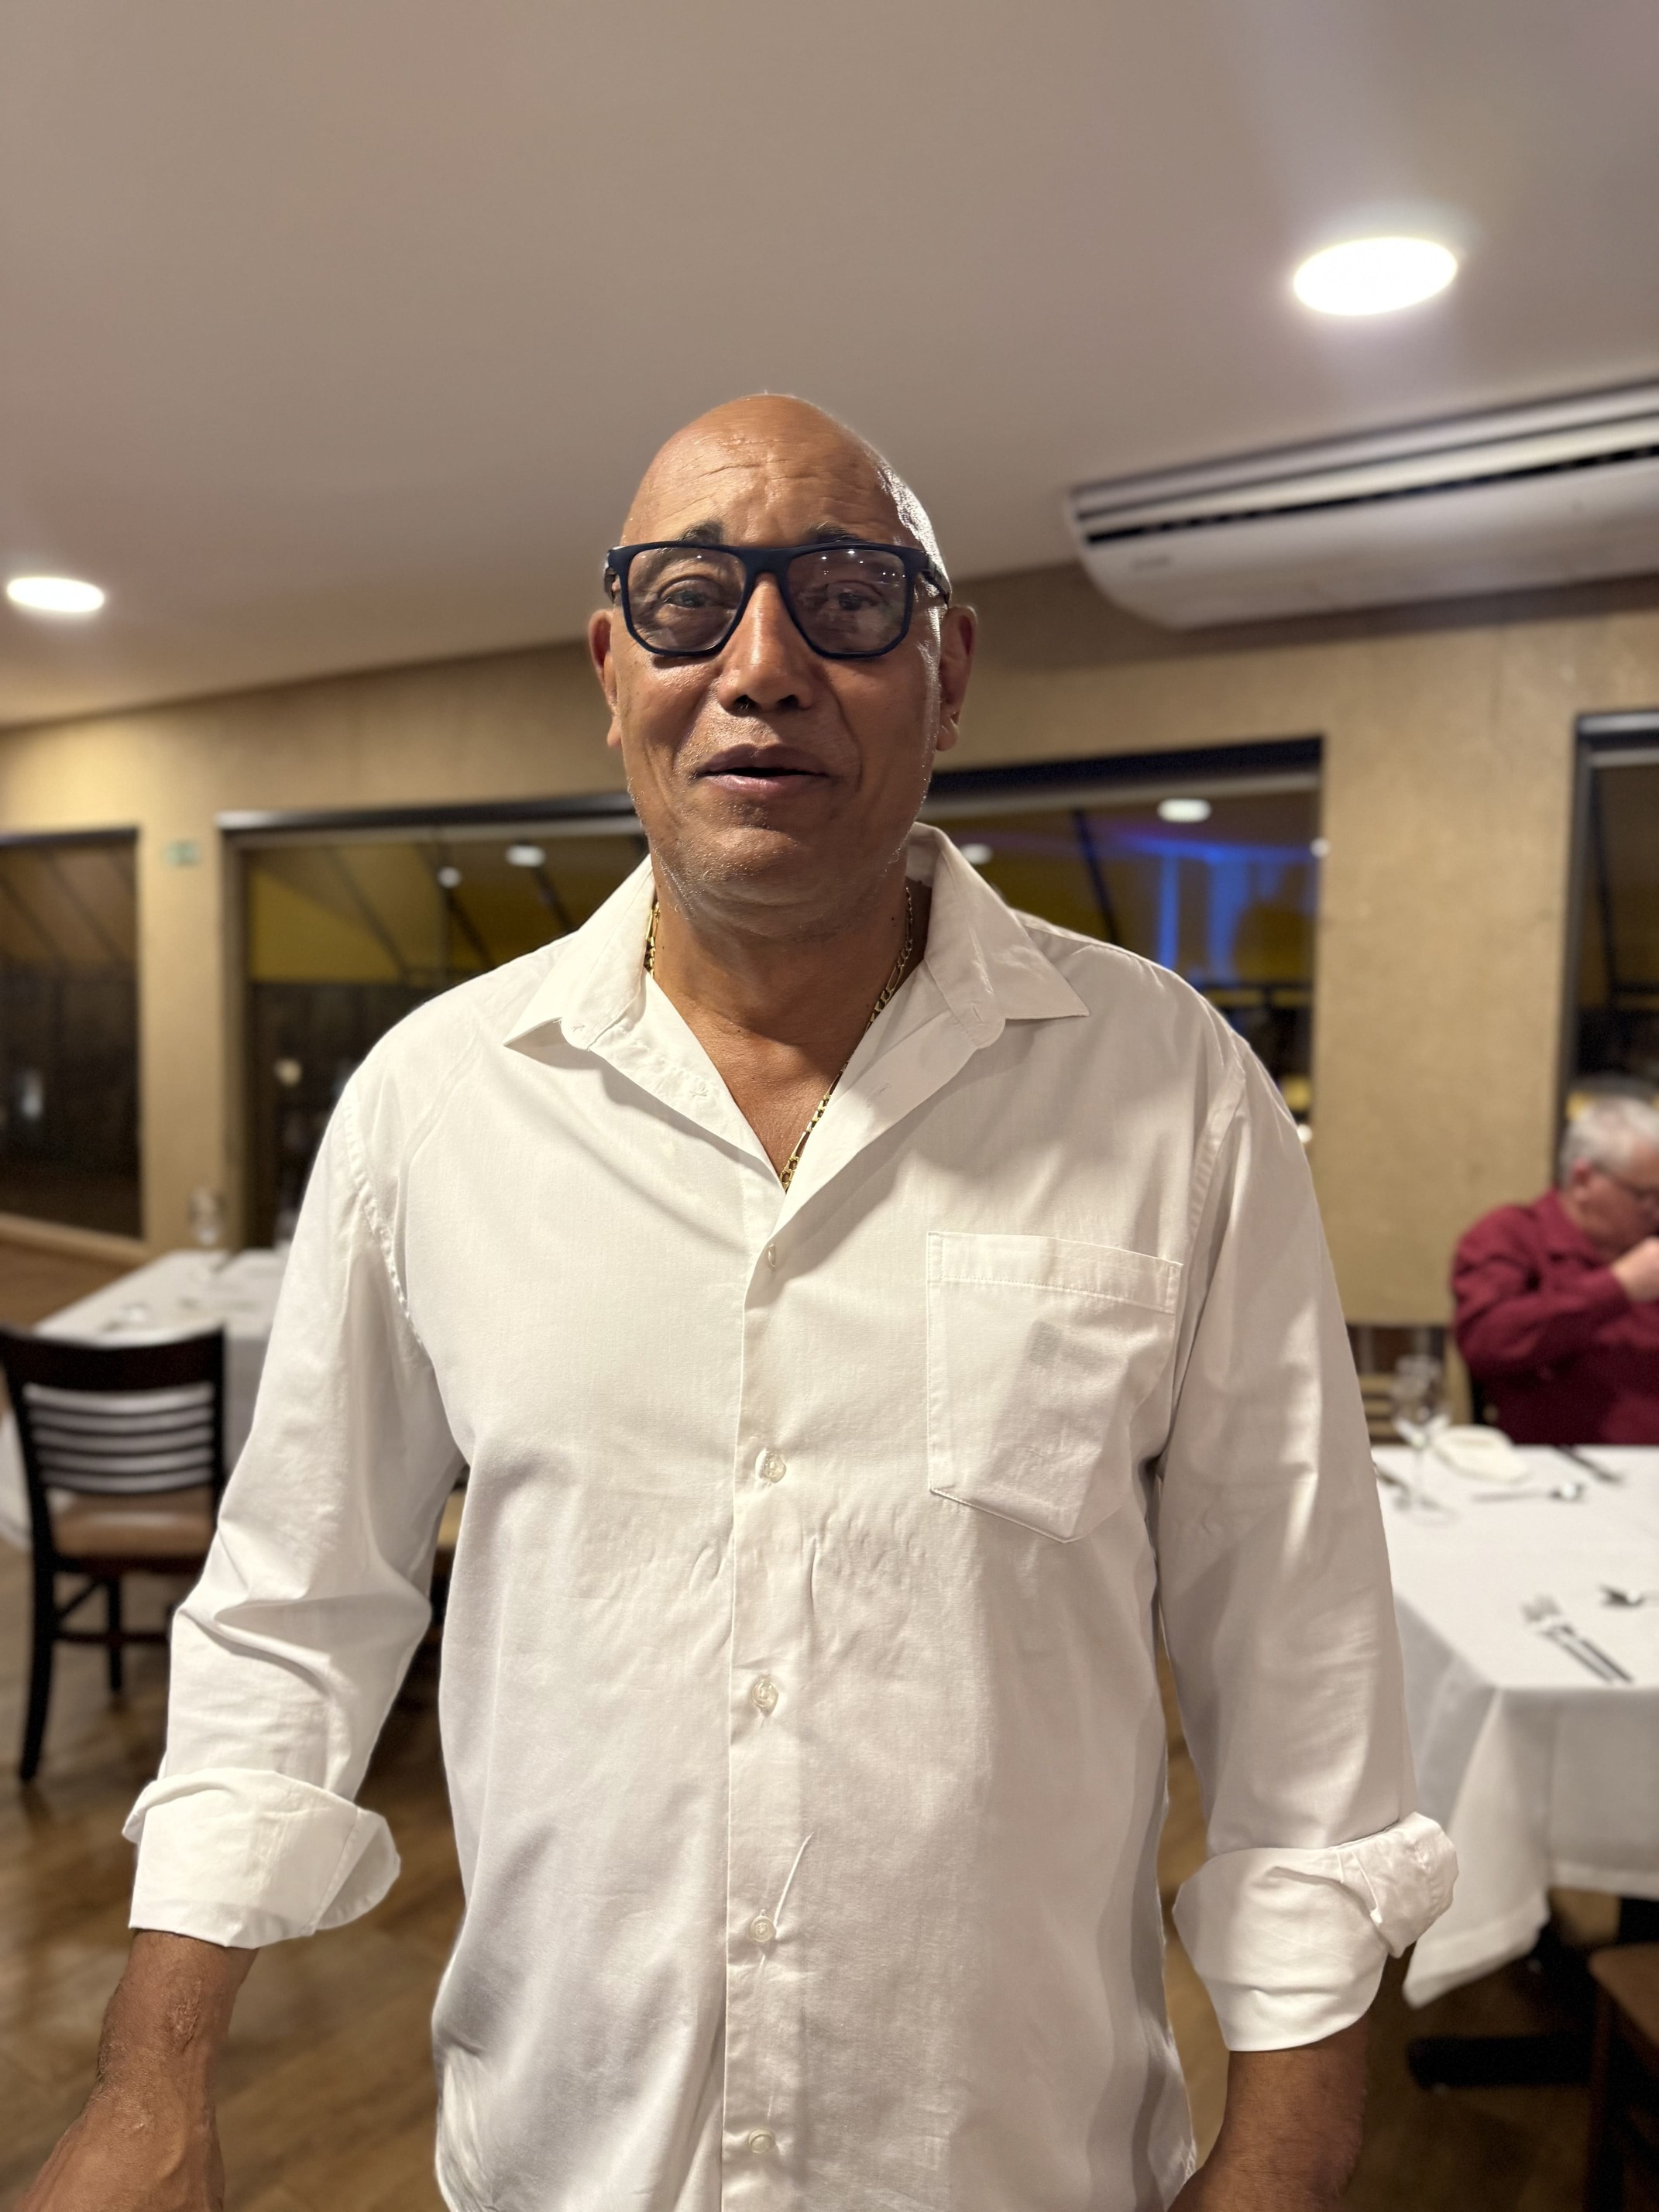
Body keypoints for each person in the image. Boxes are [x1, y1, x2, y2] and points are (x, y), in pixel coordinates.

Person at [26, 396, 1452, 2212]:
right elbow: (297, 1611)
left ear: (948, 673)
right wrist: (151, 2081)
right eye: (693, 603)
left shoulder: (1173, 1093)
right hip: (564, 2158)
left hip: (1014, 2166)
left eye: (847, 599)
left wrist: (1292, 2157)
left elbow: (1301, 1662)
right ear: (613, 668)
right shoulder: (435, 1104)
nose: (763, 665)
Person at [1453, 1094, 1659, 1444]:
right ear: (1583, 1180)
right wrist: (1617, 1286)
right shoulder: (1512, 1234)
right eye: (1644, 1196)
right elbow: (1485, 1342)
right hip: (1556, 1461)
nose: (1654, 1210)